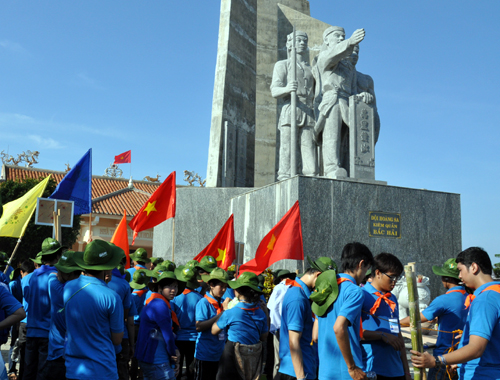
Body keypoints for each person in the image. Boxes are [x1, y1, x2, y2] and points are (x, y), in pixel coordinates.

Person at [411, 247, 500, 380]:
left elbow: (476, 348)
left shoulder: (485, 300)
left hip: (482, 374)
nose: (459, 276)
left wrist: (437, 360)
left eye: (460, 270)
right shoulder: (495, 293)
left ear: (474, 267)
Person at [312, 242, 373, 380]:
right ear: (361, 264)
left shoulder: (327, 287)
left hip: (325, 372)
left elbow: (315, 336)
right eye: (366, 269)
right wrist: (351, 367)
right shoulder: (355, 291)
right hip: (348, 372)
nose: (364, 275)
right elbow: (339, 327)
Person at [65, 239, 124, 380]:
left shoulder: (68, 287)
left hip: (74, 369)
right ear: (107, 267)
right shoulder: (112, 297)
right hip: (102, 370)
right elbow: (117, 339)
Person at [313, 26, 366, 178]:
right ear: (327, 40)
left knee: (347, 139)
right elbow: (333, 55)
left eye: (343, 36)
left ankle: (349, 166)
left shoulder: (349, 68)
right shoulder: (325, 58)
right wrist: (350, 42)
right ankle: (331, 168)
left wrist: (363, 96)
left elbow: (354, 90)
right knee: (332, 136)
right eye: (337, 36)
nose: (341, 38)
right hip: (332, 101)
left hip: (348, 102)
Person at [401, 258, 467, 380]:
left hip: (444, 357)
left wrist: (397, 322)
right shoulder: (470, 297)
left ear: (447, 279)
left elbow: (418, 318)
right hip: (464, 356)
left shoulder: (443, 300)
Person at [277, 258, 335, 380]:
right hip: (295, 372)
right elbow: (293, 341)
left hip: (303, 368)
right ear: (318, 275)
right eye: (327, 281)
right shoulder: (297, 299)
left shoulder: (302, 294)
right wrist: (301, 377)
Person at [271, 30, 317, 180]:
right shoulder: (282, 65)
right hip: (290, 108)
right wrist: (287, 88)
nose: (303, 43)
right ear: (290, 43)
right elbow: (274, 90)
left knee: (309, 146)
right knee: (287, 147)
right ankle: (284, 175)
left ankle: (311, 175)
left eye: (305, 41)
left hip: (308, 110)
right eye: (299, 40)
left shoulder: (311, 69)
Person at [360, 253, 411, 380]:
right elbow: (352, 332)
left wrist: (407, 371)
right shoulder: (361, 295)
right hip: (372, 369)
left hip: (396, 370)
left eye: (397, 278)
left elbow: (397, 335)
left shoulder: (392, 298)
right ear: (378, 273)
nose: (394, 282)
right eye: (392, 277)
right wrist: (382, 336)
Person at [212, 271, 268, 380]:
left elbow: (214, 330)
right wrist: (266, 313)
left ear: (238, 292)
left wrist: (225, 310)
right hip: (252, 356)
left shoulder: (231, 312)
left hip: (232, 356)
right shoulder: (261, 313)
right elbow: (264, 336)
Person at [23, 237, 64, 380]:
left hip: (31, 330)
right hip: (46, 333)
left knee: (28, 371)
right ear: (58, 256)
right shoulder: (55, 277)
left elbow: (27, 298)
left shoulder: (33, 276)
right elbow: (59, 306)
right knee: (42, 372)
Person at [40, 251, 82, 380]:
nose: (57, 272)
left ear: (68, 273)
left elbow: (52, 275)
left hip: (57, 354)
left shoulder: (54, 285)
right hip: (77, 356)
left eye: (60, 270)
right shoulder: (83, 293)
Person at [135, 270, 180, 380]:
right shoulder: (160, 305)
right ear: (160, 287)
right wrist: (173, 354)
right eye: (169, 286)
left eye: (175, 286)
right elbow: (168, 336)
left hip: (151, 358)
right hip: (157, 360)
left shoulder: (156, 302)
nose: (173, 290)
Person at [194, 268, 229, 380]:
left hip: (219, 354)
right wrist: (222, 313)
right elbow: (199, 326)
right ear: (212, 285)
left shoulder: (223, 302)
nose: (224, 289)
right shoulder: (204, 303)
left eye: (225, 286)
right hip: (205, 355)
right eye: (221, 286)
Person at [106, 245, 133, 380]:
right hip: (120, 335)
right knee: (121, 370)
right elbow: (126, 316)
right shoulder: (124, 285)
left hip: (101, 338)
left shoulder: (76, 285)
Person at [171, 267, 202, 380]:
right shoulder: (200, 298)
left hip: (178, 337)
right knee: (191, 368)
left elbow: (172, 319)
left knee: (176, 367)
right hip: (194, 338)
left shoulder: (174, 298)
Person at [129, 269, 150, 380]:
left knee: (132, 352)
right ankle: (141, 374)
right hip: (144, 326)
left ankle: (132, 374)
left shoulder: (132, 296)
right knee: (141, 352)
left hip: (134, 326)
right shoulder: (148, 294)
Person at [18, 259, 35, 380]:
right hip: (35, 322)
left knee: (23, 354)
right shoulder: (37, 278)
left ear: (21, 272)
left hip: (24, 321)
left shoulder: (23, 280)